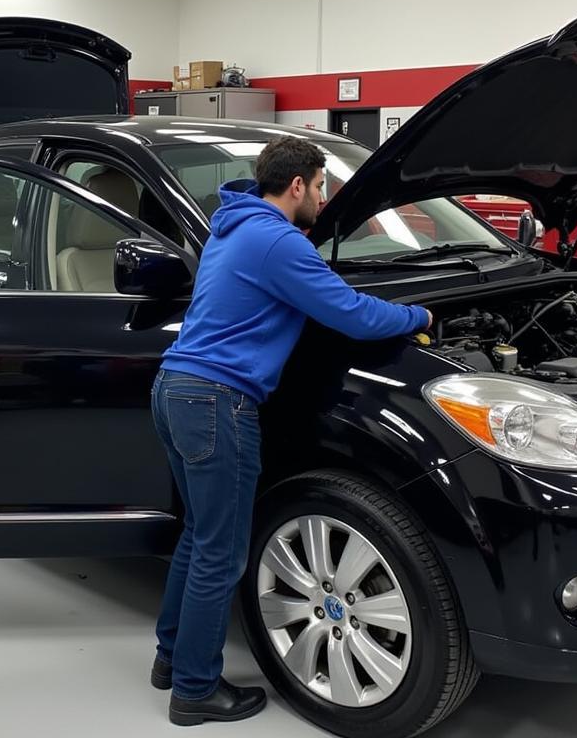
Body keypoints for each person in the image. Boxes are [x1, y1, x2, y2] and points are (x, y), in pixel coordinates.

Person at [149, 136, 431, 726]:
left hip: (175, 389)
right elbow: (353, 314)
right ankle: (195, 692)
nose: (325, 198)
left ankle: (172, 660)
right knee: (221, 555)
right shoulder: (277, 242)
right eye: (322, 185)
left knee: (200, 535)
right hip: (217, 402)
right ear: (297, 185)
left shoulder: (236, 226)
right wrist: (420, 316)